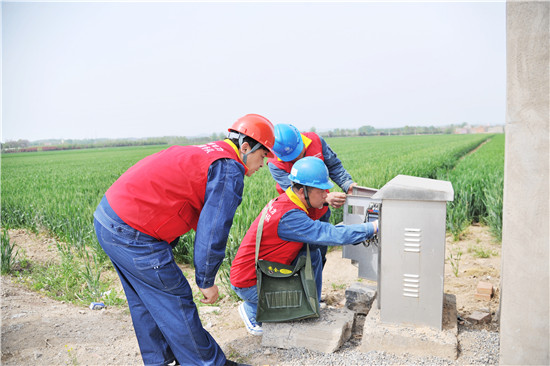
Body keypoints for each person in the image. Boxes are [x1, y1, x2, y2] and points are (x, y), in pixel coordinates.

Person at [93, 114, 275, 366]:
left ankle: (163, 360)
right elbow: (212, 231)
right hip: (131, 231)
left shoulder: (210, 153)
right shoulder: (229, 168)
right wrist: (206, 280)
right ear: (245, 147)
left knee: (147, 300)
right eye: (263, 155)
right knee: (174, 297)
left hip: (109, 219)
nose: (264, 163)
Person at [230, 156, 378, 336]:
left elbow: (324, 231)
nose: (326, 195)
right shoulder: (289, 216)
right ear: (302, 191)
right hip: (250, 282)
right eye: (322, 191)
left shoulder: (289, 201)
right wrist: (373, 227)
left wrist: (328, 205)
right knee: (297, 310)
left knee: (313, 252)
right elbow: (329, 234)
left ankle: (310, 303)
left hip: (263, 270)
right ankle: (252, 310)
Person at [267, 124, 358, 267]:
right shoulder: (275, 164)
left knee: (319, 256)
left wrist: (348, 184)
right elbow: (294, 192)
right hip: (297, 218)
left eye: (299, 154)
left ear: (300, 140)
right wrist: (326, 197)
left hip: (321, 212)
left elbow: (333, 166)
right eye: (291, 159)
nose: (296, 160)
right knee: (300, 261)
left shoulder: (315, 141)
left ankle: (315, 286)